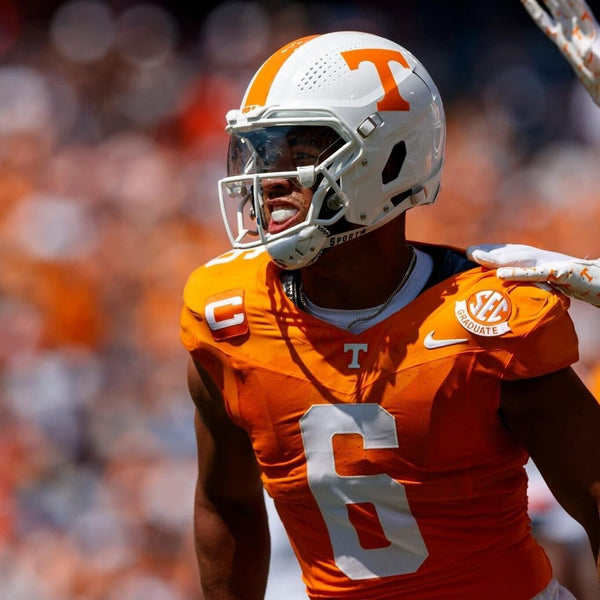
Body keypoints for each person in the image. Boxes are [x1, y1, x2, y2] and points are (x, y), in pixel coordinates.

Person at [179, 2, 600, 599]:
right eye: (262, 150)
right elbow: (227, 502)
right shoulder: (228, 316)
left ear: (390, 158)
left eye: (298, 150)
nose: (268, 178)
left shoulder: (484, 319)